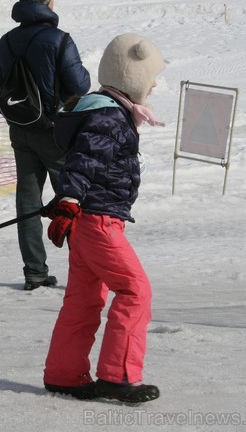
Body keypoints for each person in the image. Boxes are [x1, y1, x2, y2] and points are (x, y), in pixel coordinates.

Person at [42, 33, 165, 403]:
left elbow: (85, 158)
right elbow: (85, 160)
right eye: (152, 79)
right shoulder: (110, 116)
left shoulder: (104, 110)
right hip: (97, 222)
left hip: (88, 220)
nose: (155, 85)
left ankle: (65, 373)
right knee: (134, 289)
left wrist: (71, 202)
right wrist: (68, 198)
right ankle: (119, 375)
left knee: (83, 299)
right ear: (133, 78)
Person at [0, 0, 90, 291]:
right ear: (47, 0)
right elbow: (81, 85)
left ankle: (34, 271)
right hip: (56, 132)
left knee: (28, 202)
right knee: (72, 201)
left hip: (21, 130)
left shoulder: (6, 41)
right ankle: (83, 272)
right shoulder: (59, 40)